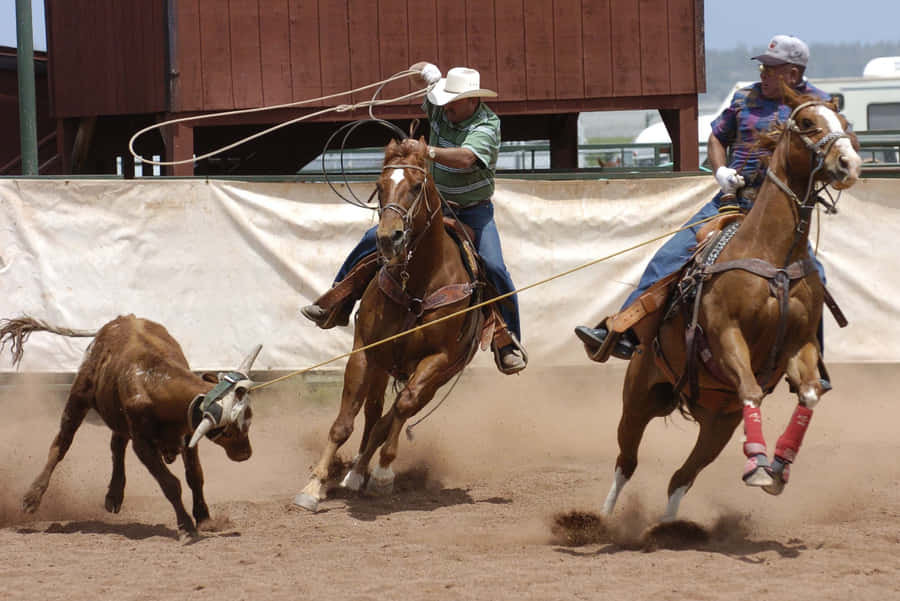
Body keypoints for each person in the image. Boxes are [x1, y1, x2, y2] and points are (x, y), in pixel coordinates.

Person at [575, 34, 833, 359]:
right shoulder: (744, 98)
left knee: (815, 279)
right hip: (732, 201)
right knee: (670, 255)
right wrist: (720, 171)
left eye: (771, 68)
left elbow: (833, 149)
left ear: (793, 74)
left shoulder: (817, 106)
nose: (763, 74)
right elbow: (717, 137)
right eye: (763, 68)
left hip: (783, 215)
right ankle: (622, 333)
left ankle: (813, 357)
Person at [302, 63, 527, 374]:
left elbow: (466, 158)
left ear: (472, 101)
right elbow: (432, 86)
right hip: (432, 205)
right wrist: (428, 72)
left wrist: (428, 152)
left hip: (473, 212)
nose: (446, 105)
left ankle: (508, 340)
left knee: (494, 266)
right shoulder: (442, 108)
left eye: (454, 100)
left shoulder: (487, 125)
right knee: (374, 239)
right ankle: (337, 298)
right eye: (445, 99)